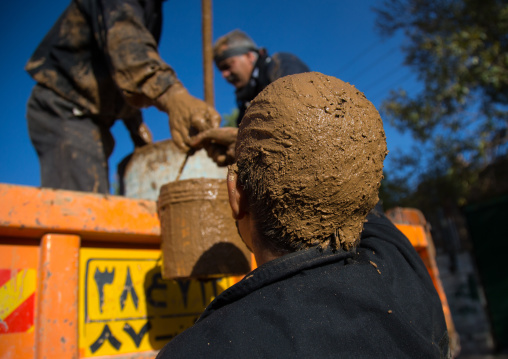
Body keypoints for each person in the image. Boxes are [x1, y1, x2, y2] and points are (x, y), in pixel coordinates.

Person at [157, 72, 451, 358]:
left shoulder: (198, 349)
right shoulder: (407, 279)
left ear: (236, 196)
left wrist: (254, 148)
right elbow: (358, 194)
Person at [25, 0, 220, 193]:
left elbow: (120, 76)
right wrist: (173, 95)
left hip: (95, 116)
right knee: (82, 205)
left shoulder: (152, 10)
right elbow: (128, 48)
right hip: (65, 106)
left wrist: (135, 125)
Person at [213, 29, 310, 125]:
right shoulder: (244, 103)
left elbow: (301, 108)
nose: (224, 75)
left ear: (250, 56)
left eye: (227, 66)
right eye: (221, 70)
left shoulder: (280, 66)